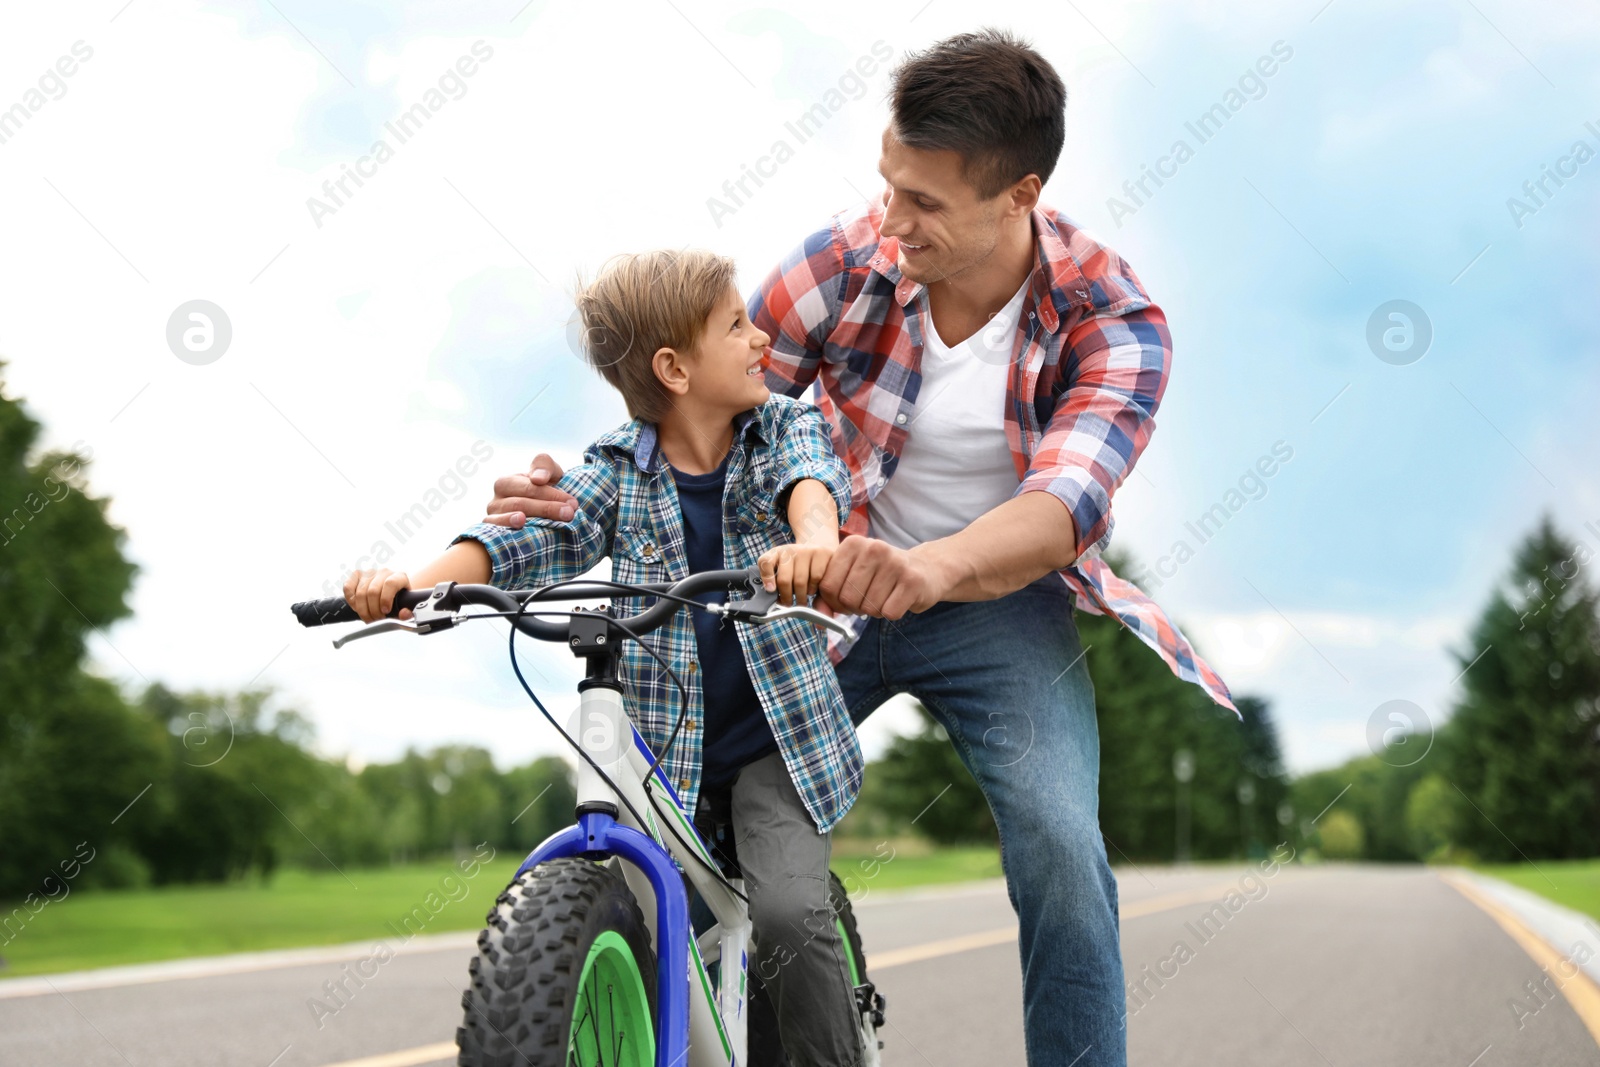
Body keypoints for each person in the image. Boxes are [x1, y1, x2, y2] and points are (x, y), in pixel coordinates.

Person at [484, 29, 1238, 1067]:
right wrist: (566, 496)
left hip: (996, 607)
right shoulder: (839, 267)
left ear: (1019, 195)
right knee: (691, 825)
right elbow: (698, 409)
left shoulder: (1112, 319)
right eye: (888, 186)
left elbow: (1063, 505)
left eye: (924, 203)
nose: (890, 222)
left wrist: (925, 568)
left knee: (1062, 847)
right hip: (810, 594)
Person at [343, 249, 866, 1066]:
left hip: (776, 750)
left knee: (791, 916)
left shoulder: (782, 427)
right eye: (736, 324)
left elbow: (810, 482)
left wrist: (815, 544)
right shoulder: (616, 470)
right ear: (674, 368)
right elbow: (526, 542)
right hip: (667, 761)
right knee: (654, 939)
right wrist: (411, 587)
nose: (762, 337)